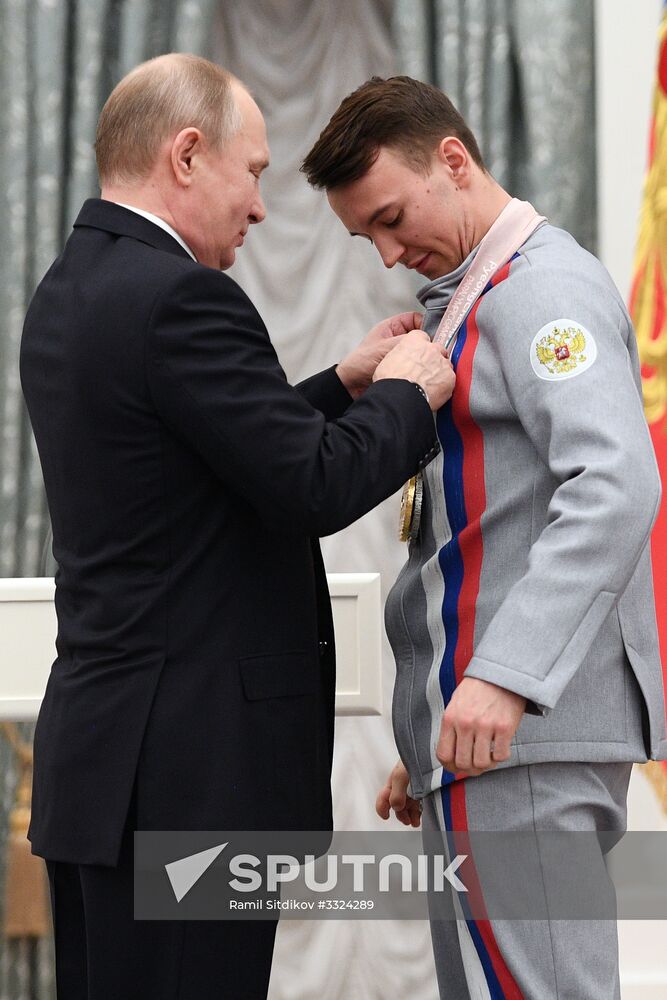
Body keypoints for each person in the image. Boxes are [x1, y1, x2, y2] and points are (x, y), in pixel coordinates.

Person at [20, 56, 456, 1000]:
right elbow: (308, 487)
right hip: (190, 782)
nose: (260, 207)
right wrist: (406, 397)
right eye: (253, 172)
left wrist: (340, 386)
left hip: (103, 772)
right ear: (186, 155)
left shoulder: (70, 287)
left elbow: (197, 466)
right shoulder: (183, 296)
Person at [302, 75, 667, 1000]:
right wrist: (431, 725)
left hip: (525, 732)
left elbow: (615, 484)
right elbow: (490, 528)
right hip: (493, 739)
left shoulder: (540, 289)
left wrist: (503, 678)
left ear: (453, 161)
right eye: (367, 237)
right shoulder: (478, 293)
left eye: (391, 218)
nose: (390, 254)